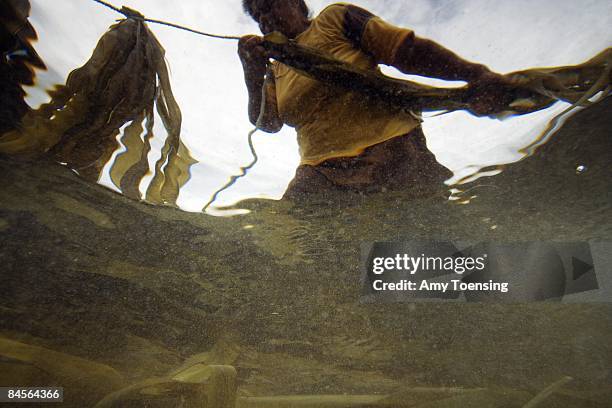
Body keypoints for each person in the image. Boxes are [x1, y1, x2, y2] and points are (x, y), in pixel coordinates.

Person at [238, 0, 513, 199]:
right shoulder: (275, 68)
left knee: (427, 247)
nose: (265, 19)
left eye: (269, 4)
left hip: (396, 153)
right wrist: (252, 77)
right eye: (258, 15)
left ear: (297, 3)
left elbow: (405, 51)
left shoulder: (336, 19)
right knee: (303, 253)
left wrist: (475, 74)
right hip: (319, 174)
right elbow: (269, 123)